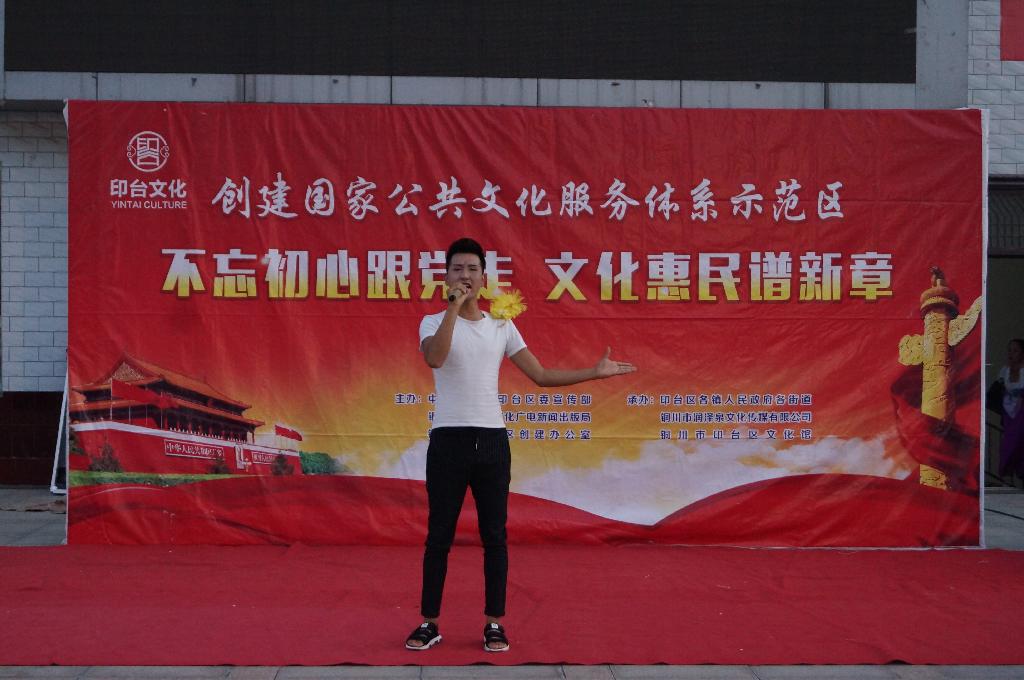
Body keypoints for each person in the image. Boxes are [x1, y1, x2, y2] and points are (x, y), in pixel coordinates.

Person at [404, 237, 636, 653]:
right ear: (446, 277)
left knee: (494, 535)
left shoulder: (501, 326)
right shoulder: (432, 322)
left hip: (492, 441)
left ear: (484, 277)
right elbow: (435, 358)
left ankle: (494, 622)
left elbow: (541, 376)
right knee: (439, 536)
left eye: (472, 269)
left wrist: (593, 373)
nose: (465, 276)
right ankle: (429, 622)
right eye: (457, 269)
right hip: (448, 440)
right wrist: (453, 309)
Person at [998, 338, 1024, 478]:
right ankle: (1007, 473)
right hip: (1008, 410)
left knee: (1019, 440)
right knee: (1008, 442)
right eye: (1009, 350)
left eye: (1015, 351)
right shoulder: (1005, 370)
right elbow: (1000, 387)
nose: (1011, 354)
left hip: (1021, 411)